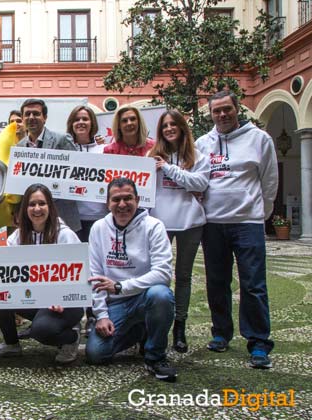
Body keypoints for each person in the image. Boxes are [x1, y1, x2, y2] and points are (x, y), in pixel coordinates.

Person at [195, 90, 278, 369]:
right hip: (213, 224)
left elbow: (269, 181)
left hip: (247, 223)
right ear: (211, 113)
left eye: (226, 109)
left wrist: (260, 214)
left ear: (236, 109)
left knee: (253, 284)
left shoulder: (259, 139)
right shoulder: (202, 143)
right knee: (217, 282)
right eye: (216, 111)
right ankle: (221, 333)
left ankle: (258, 342)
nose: (222, 115)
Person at [0, 183, 84, 364]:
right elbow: (3, 271)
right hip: (35, 298)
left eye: (42, 204)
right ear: (25, 209)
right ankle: (11, 344)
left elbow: (81, 275)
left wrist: (62, 298)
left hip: (66, 302)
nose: (37, 209)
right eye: (31, 204)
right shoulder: (18, 236)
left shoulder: (65, 235)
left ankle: (71, 337)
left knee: (42, 331)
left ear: (50, 207)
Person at [86, 178, 176, 382]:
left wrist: (120, 286)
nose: (122, 205)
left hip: (145, 298)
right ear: (107, 203)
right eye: (116, 199)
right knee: (96, 354)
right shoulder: (99, 228)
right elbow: (95, 274)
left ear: (137, 199)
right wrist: (101, 315)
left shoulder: (154, 226)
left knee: (161, 295)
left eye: (128, 198)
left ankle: (156, 356)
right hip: (115, 304)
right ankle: (141, 330)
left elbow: (163, 273)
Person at [147, 110, 210, 353]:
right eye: (165, 125)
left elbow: (201, 183)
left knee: (183, 276)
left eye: (174, 124)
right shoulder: (151, 156)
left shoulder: (198, 156)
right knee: (160, 275)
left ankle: (180, 327)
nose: (169, 129)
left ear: (182, 127)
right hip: (160, 222)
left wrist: (169, 170)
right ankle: (157, 325)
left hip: (190, 223)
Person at [16, 98, 81, 234]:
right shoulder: (19, 147)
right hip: (35, 219)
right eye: (27, 114)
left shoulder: (62, 140)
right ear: (22, 118)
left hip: (62, 215)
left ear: (44, 117)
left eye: (36, 113)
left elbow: (78, 171)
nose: (31, 117)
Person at [66, 105, 108, 241]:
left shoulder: (104, 149)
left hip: (99, 216)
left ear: (92, 123)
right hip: (72, 219)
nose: (81, 122)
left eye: (85, 119)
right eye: (76, 119)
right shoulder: (64, 150)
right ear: (71, 124)